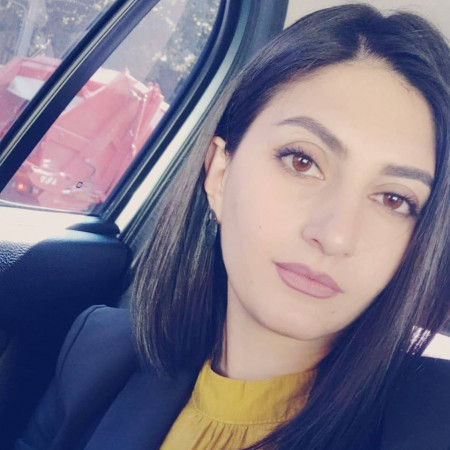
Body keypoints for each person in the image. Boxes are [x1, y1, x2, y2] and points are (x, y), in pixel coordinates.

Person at [16, 3, 450, 450]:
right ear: (220, 175)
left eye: (394, 199)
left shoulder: (431, 427)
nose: (336, 235)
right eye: (302, 161)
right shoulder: (96, 360)